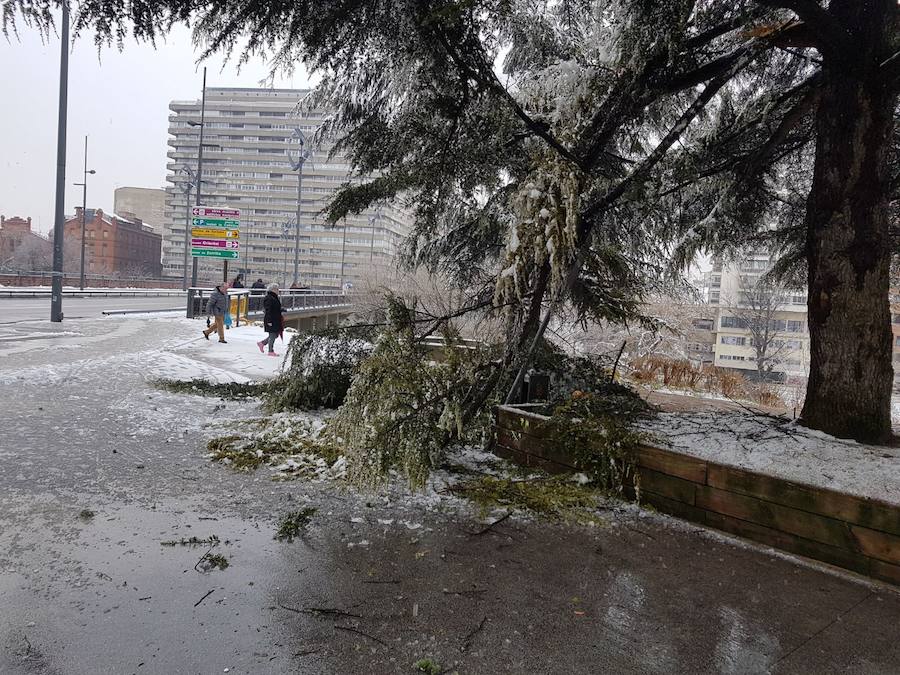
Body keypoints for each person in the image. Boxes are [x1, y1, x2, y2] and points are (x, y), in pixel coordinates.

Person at [257, 283, 283, 356]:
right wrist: (269, 321)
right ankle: (270, 351)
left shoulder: (274, 297)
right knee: (272, 335)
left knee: (276, 334)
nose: (278, 290)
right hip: (271, 319)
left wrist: (281, 310)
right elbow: (268, 310)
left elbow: (275, 308)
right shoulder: (269, 298)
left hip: (275, 319)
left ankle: (262, 343)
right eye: (277, 289)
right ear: (273, 290)